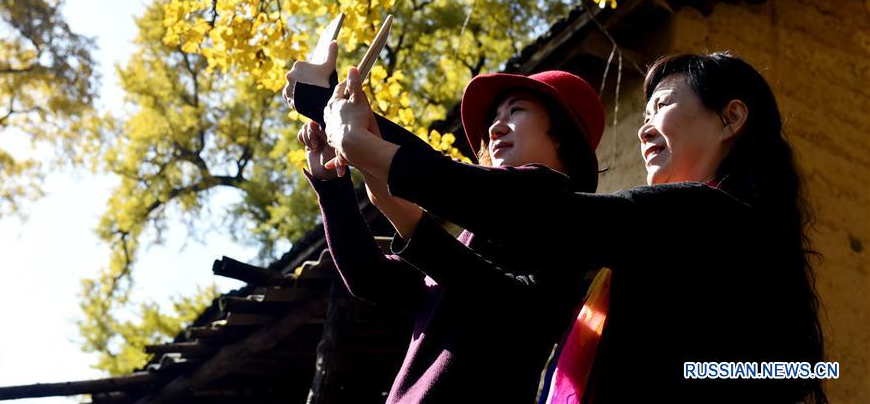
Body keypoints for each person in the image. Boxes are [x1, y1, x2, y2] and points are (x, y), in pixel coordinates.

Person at [324, 52, 826, 403]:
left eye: (665, 105)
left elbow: (547, 219)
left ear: (731, 117)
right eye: (643, 113)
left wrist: (367, 143)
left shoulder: (712, 216)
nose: (644, 127)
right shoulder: (681, 228)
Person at [289, 48, 606, 402]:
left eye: (516, 110)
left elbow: (512, 308)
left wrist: (321, 102)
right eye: (494, 118)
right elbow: (368, 275)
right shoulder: (473, 236)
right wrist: (332, 185)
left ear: (561, 135)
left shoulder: (556, 207)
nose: (496, 127)